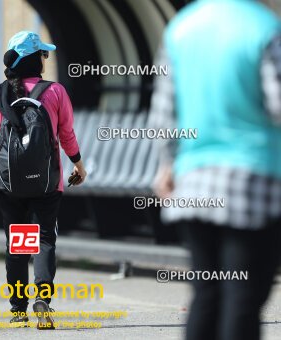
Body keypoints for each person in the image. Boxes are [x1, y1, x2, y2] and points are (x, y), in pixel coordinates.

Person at [151, 1, 281, 340]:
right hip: (252, 182)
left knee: (207, 292)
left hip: (193, 181)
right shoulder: (263, 27)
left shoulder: (181, 28)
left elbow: (165, 113)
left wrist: (167, 163)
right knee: (243, 296)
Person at [0, 31, 86, 329]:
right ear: (34, 59)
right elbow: (67, 134)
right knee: (44, 239)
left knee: (18, 243)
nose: (45, 59)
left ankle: (18, 309)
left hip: (9, 184)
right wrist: (79, 165)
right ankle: (43, 298)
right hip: (47, 182)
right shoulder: (55, 92)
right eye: (42, 55)